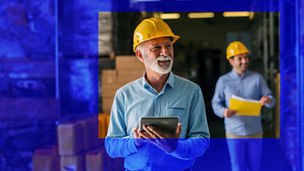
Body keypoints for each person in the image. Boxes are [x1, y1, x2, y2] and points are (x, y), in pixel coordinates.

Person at [105, 18, 210, 170]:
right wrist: (135, 141)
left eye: (168, 46)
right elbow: (111, 146)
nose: (165, 52)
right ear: (140, 55)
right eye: (156, 47)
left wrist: (175, 147)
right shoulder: (124, 95)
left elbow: (202, 140)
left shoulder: (191, 92)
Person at [212, 41, 275, 171]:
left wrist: (268, 100)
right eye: (240, 58)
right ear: (231, 61)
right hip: (234, 133)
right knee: (237, 167)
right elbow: (215, 103)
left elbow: (271, 98)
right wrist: (223, 112)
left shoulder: (257, 78)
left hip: (255, 132)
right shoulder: (223, 81)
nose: (244, 61)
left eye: (246, 57)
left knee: (254, 167)